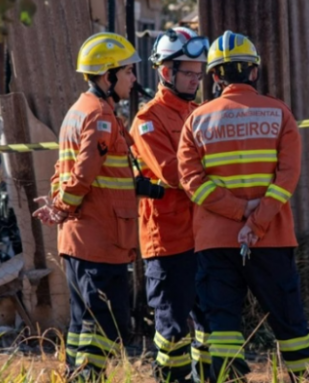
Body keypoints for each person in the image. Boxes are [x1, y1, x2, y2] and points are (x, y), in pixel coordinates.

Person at [177, 31, 309, 381]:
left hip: (215, 242)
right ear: (254, 71)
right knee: (291, 325)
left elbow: (191, 182)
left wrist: (237, 211)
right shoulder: (279, 114)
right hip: (271, 238)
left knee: (222, 327)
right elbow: (287, 178)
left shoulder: (196, 120)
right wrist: (255, 221)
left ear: (215, 76)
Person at [34, 32, 141, 381]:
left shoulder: (77, 111)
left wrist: (59, 204)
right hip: (100, 237)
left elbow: (60, 169)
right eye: (128, 71)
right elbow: (82, 172)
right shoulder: (100, 115)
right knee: (106, 322)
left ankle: (76, 374)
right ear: (108, 75)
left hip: (82, 239)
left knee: (83, 321)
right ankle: (87, 376)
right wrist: (61, 207)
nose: (133, 78)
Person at [130, 27, 215, 382]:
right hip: (167, 241)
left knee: (210, 326)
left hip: (203, 237)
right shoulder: (147, 120)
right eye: (189, 73)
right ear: (166, 72)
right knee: (172, 330)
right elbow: (172, 172)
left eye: (199, 73)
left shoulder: (198, 112)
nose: (196, 80)